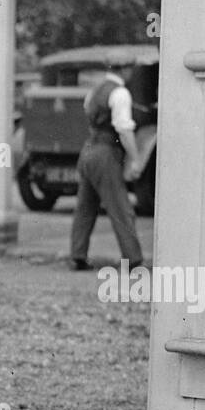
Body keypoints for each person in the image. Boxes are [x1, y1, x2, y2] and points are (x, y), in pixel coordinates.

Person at [68, 63, 145, 270]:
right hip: (106, 152)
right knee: (120, 207)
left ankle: (77, 255)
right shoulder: (120, 93)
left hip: (88, 150)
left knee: (85, 207)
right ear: (125, 70)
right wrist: (136, 158)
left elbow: (89, 113)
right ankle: (133, 259)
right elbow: (124, 130)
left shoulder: (95, 90)